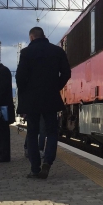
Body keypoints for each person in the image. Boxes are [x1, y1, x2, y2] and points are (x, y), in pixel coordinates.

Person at [16, 27, 70, 179]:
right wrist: (55, 87)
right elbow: (66, 73)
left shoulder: (26, 53)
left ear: (31, 37)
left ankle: (34, 168)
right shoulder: (57, 51)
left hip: (31, 100)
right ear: (43, 35)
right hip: (50, 98)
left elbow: (20, 77)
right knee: (52, 132)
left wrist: (26, 91)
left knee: (32, 133)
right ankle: (47, 163)